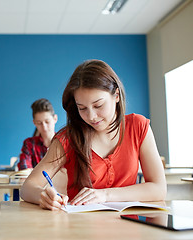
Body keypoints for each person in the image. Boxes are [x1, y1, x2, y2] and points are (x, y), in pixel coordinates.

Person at [20, 59, 166, 211]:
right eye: (82, 108)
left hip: (129, 228)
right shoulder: (68, 138)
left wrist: (106, 195)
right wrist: (43, 195)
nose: (91, 116)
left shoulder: (138, 126)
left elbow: (159, 189)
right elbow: (27, 188)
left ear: (116, 95)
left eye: (98, 105)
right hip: (81, 228)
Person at [18, 98, 58, 170]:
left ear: (55, 119)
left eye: (47, 121)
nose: (44, 127)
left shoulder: (64, 143)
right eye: (39, 123)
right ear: (34, 123)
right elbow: (24, 171)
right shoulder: (29, 144)